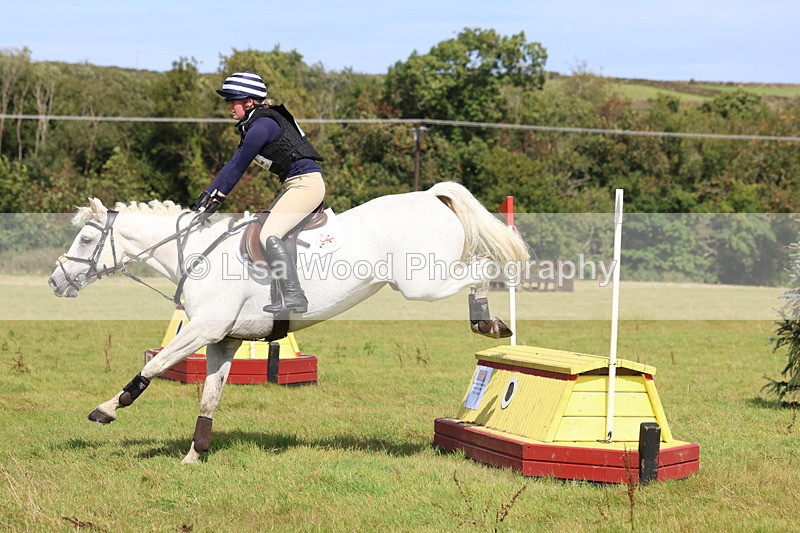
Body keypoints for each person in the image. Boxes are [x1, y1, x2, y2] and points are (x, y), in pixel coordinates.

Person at [192, 70, 325, 314]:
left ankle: (295, 296)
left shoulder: (262, 126)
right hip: (295, 184)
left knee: (270, 234)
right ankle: (279, 294)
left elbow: (239, 166)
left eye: (232, 100)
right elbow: (232, 163)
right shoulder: (256, 123)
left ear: (249, 102)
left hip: (306, 184)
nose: (229, 106)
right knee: (265, 227)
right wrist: (206, 194)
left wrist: (218, 198)